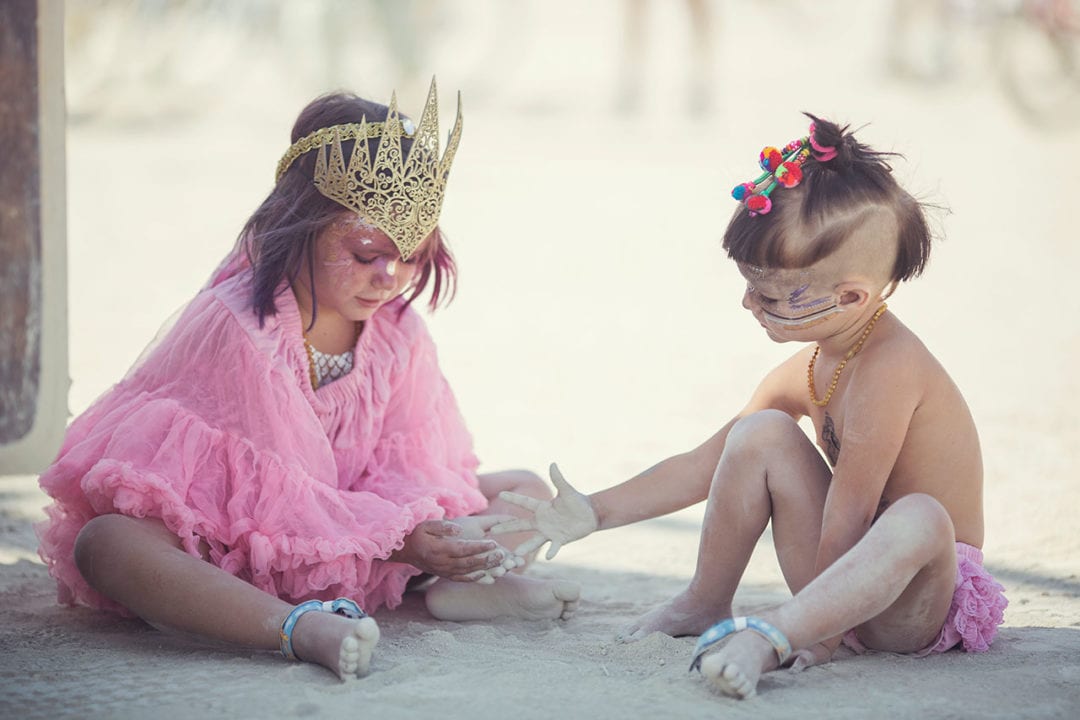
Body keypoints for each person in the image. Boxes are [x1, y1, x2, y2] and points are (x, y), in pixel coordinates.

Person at [35, 80, 580, 682]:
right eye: (366, 249)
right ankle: (297, 626)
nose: (388, 275)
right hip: (239, 540)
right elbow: (283, 501)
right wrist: (402, 541)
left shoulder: (397, 328)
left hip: (366, 524)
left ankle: (456, 586)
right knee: (107, 544)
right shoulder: (245, 329)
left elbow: (416, 464)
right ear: (299, 226)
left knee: (527, 491)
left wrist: (424, 532)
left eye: (410, 253)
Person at [494, 115, 1007, 698]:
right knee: (758, 432)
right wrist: (592, 511)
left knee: (919, 515)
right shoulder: (812, 364)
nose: (746, 303)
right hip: (841, 580)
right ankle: (704, 600)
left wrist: (820, 631)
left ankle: (773, 635)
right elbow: (705, 464)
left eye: (765, 292)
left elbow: (850, 511)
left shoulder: (891, 368)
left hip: (912, 598)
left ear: (850, 296)